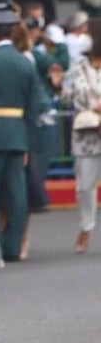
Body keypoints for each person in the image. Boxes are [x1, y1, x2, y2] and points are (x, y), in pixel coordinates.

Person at [0, 7, 45, 262]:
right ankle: (12, 246)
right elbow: (33, 106)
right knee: (17, 192)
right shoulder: (24, 61)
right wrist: (29, 143)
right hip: (18, 133)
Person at [64, 19, 101, 254]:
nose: (81, 36)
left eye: (86, 32)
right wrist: (58, 83)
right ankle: (86, 227)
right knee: (85, 186)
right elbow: (67, 97)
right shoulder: (77, 66)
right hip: (87, 132)